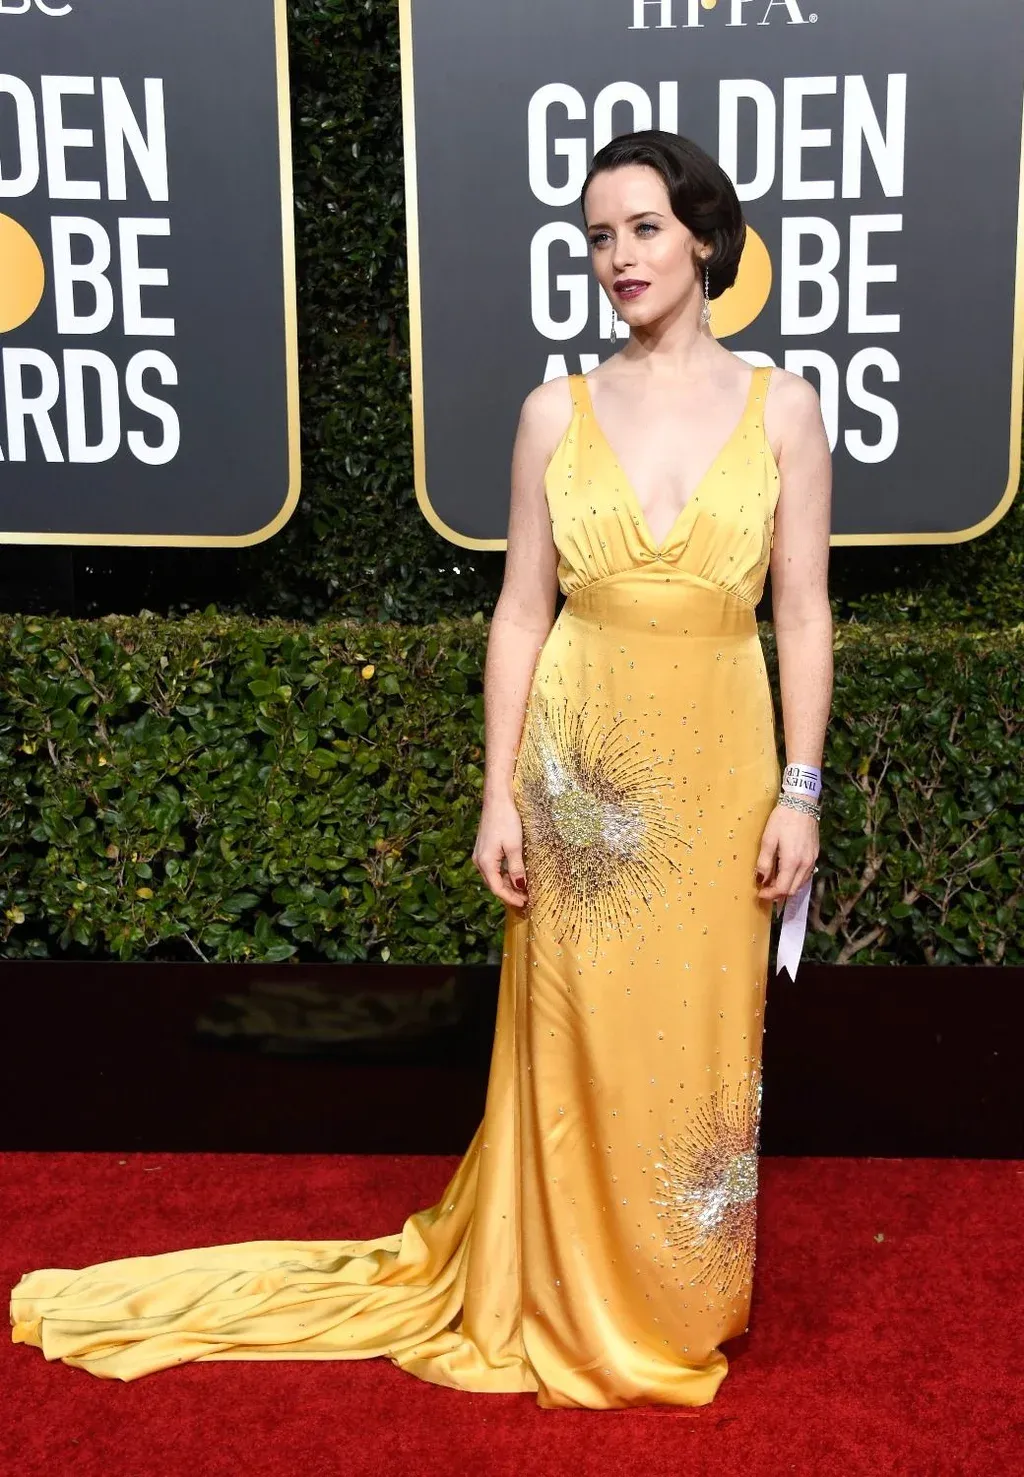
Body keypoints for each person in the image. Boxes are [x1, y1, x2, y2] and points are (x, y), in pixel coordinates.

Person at [9, 129, 833, 1408]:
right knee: (574, 1043)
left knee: (700, 1045)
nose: (619, 257)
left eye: (644, 229)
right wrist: (498, 791)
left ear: (706, 239)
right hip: (581, 774)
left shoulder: (782, 407)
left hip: (722, 766)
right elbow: (521, 611)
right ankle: (560, 1293)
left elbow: (805, 612)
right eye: (598, 236)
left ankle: (674, 1298)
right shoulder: (553, 413)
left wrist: (800, 787)